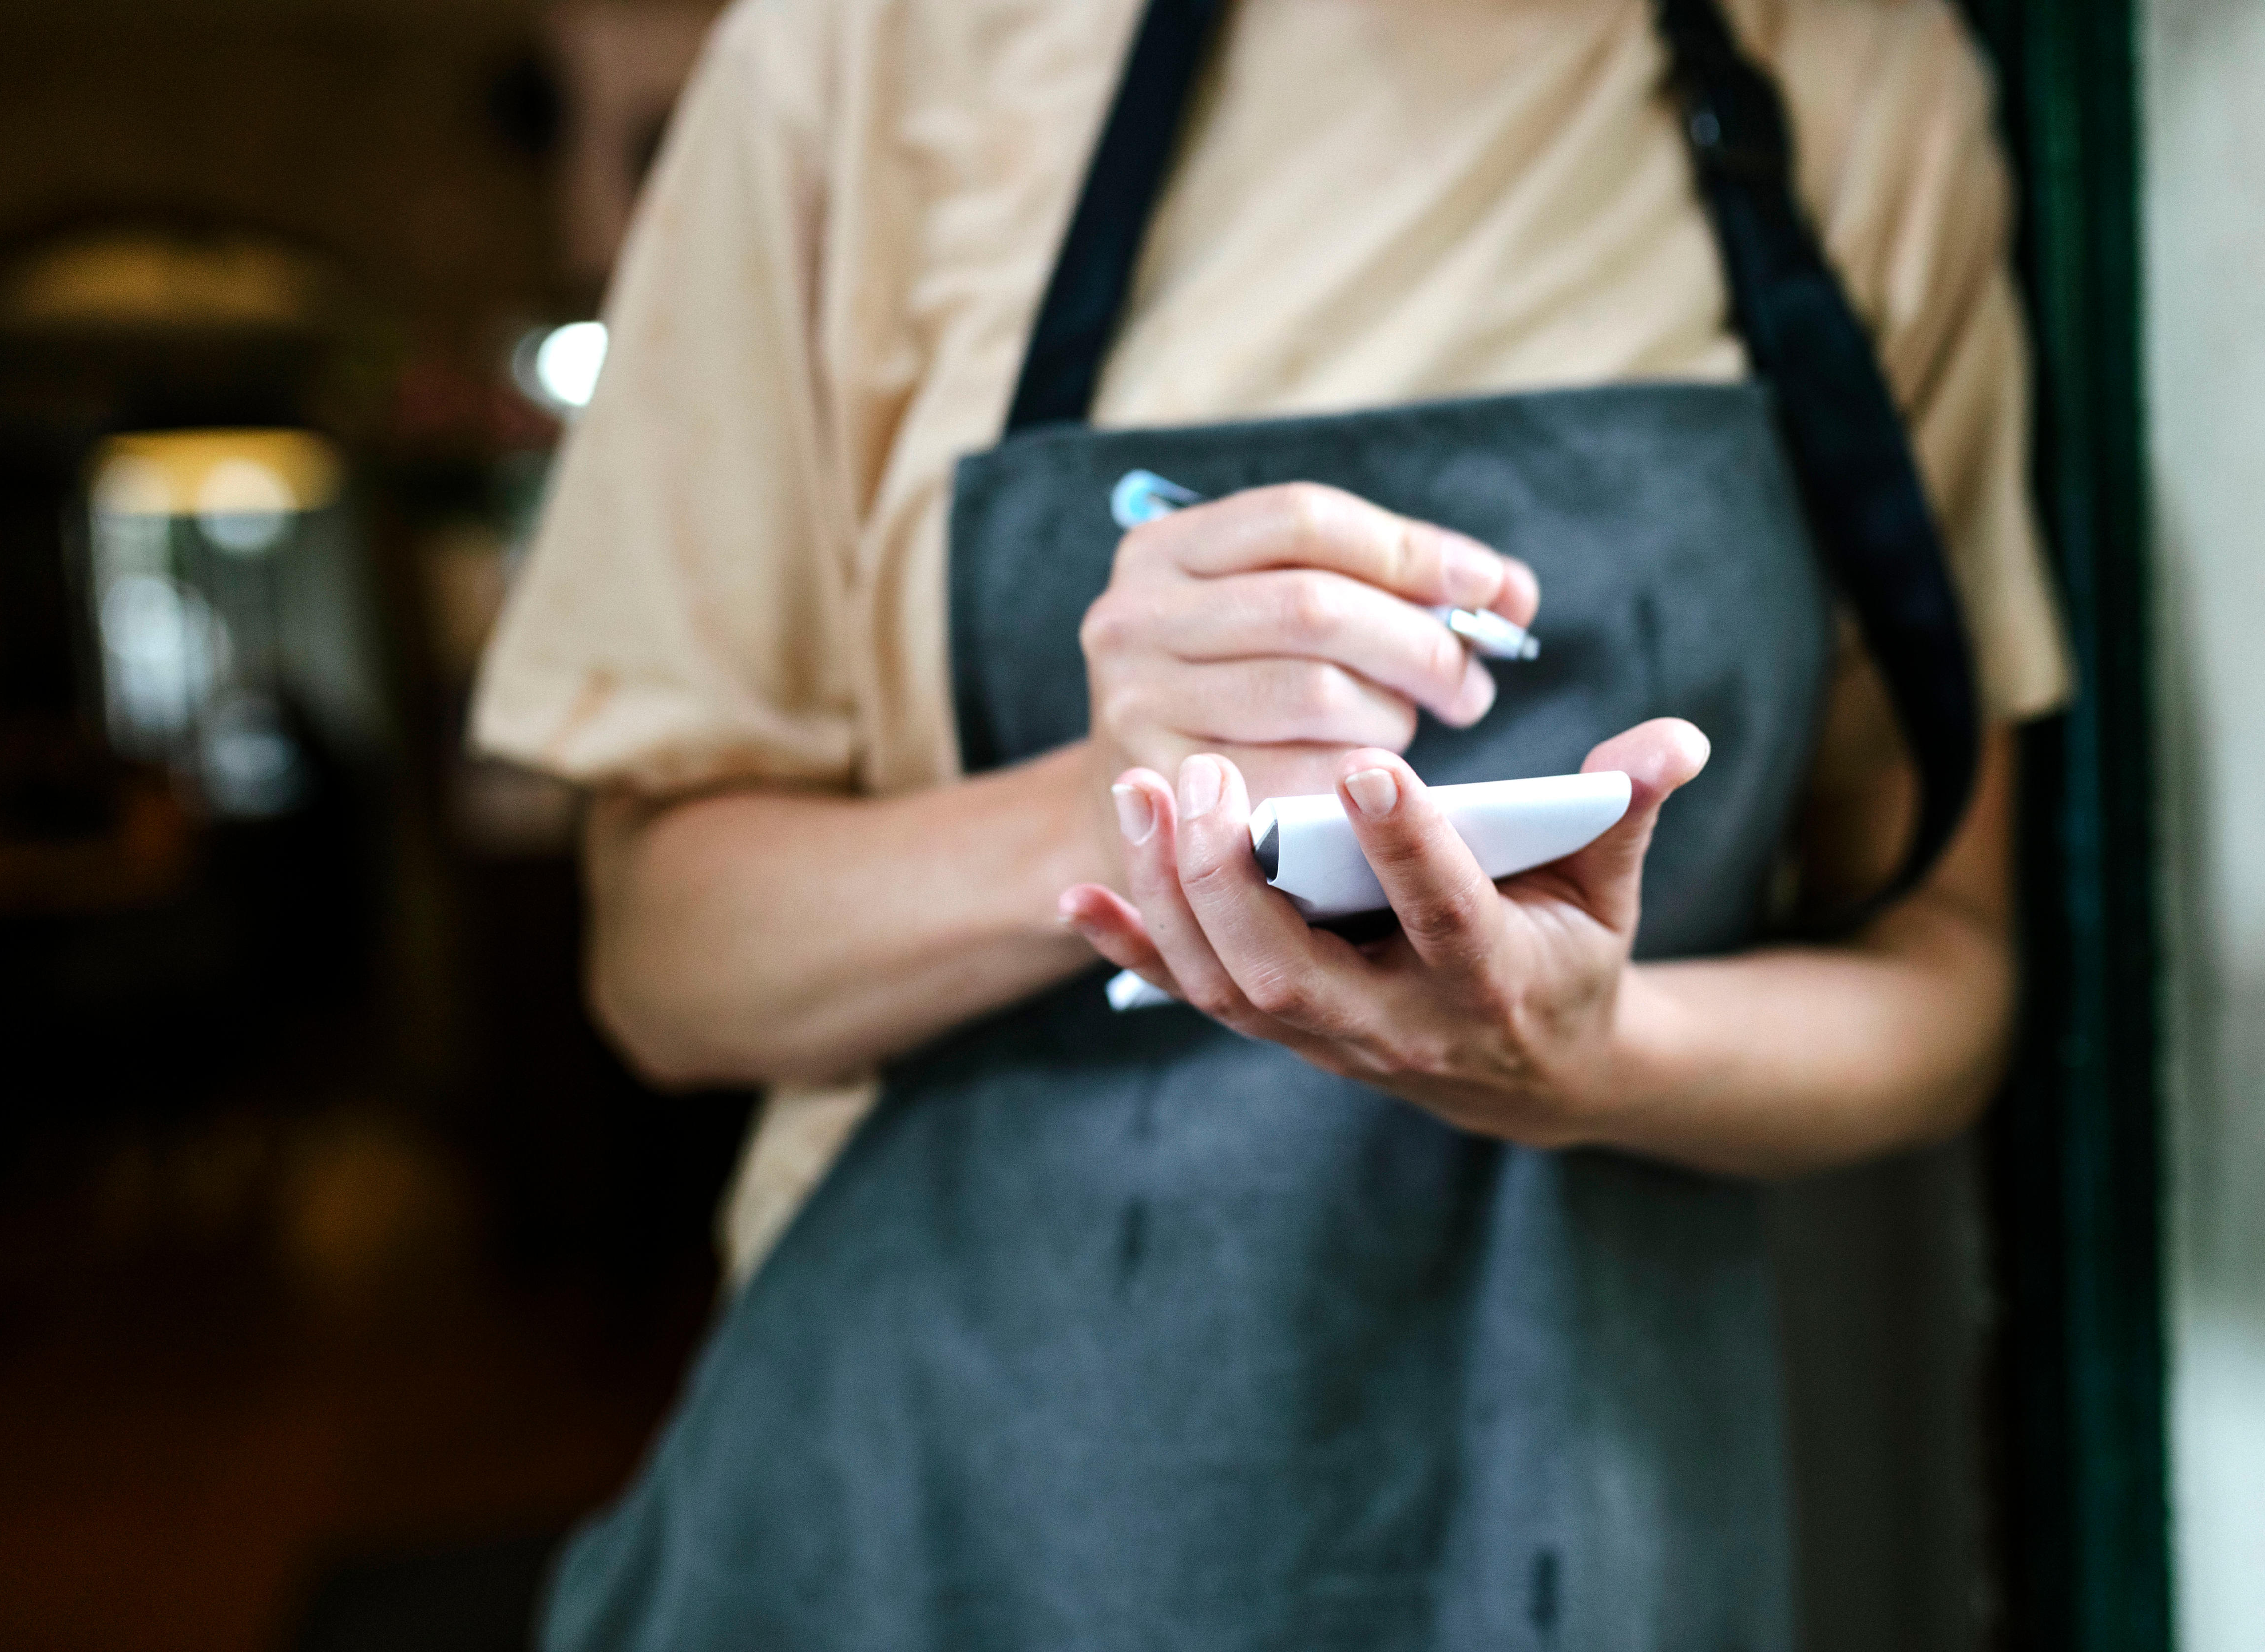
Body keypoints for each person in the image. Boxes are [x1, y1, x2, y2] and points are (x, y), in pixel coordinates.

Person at [473, 0, 2071, 1644]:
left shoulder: (1853, 80)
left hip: (1577, 1522)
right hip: (933, 1523)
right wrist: (1095, 825)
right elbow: (662, 964)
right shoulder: (866, 57)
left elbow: (1947, 965)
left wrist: (1596, 1054)